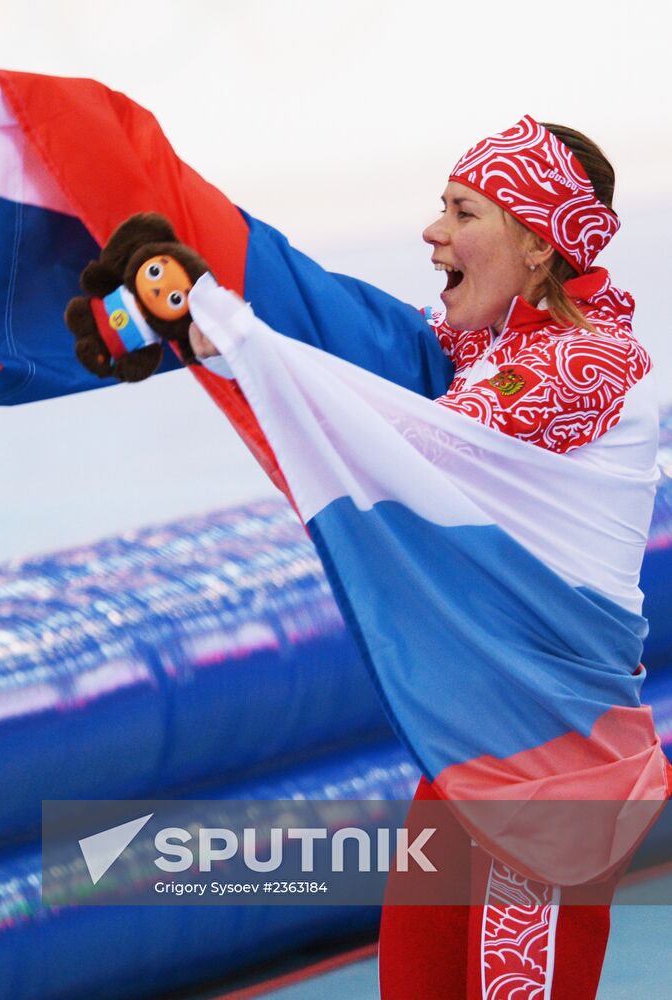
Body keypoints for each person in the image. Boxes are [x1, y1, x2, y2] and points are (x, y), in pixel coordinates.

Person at [191, 116, 661, 999]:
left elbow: (415, 447)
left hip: (553, 772)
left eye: (463, 211)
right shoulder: (476, 346)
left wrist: (244, 347)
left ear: (535, 243)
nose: (432, 231)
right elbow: (346, 326)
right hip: (465, 756)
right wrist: (199, 309)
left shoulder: (593, 364)